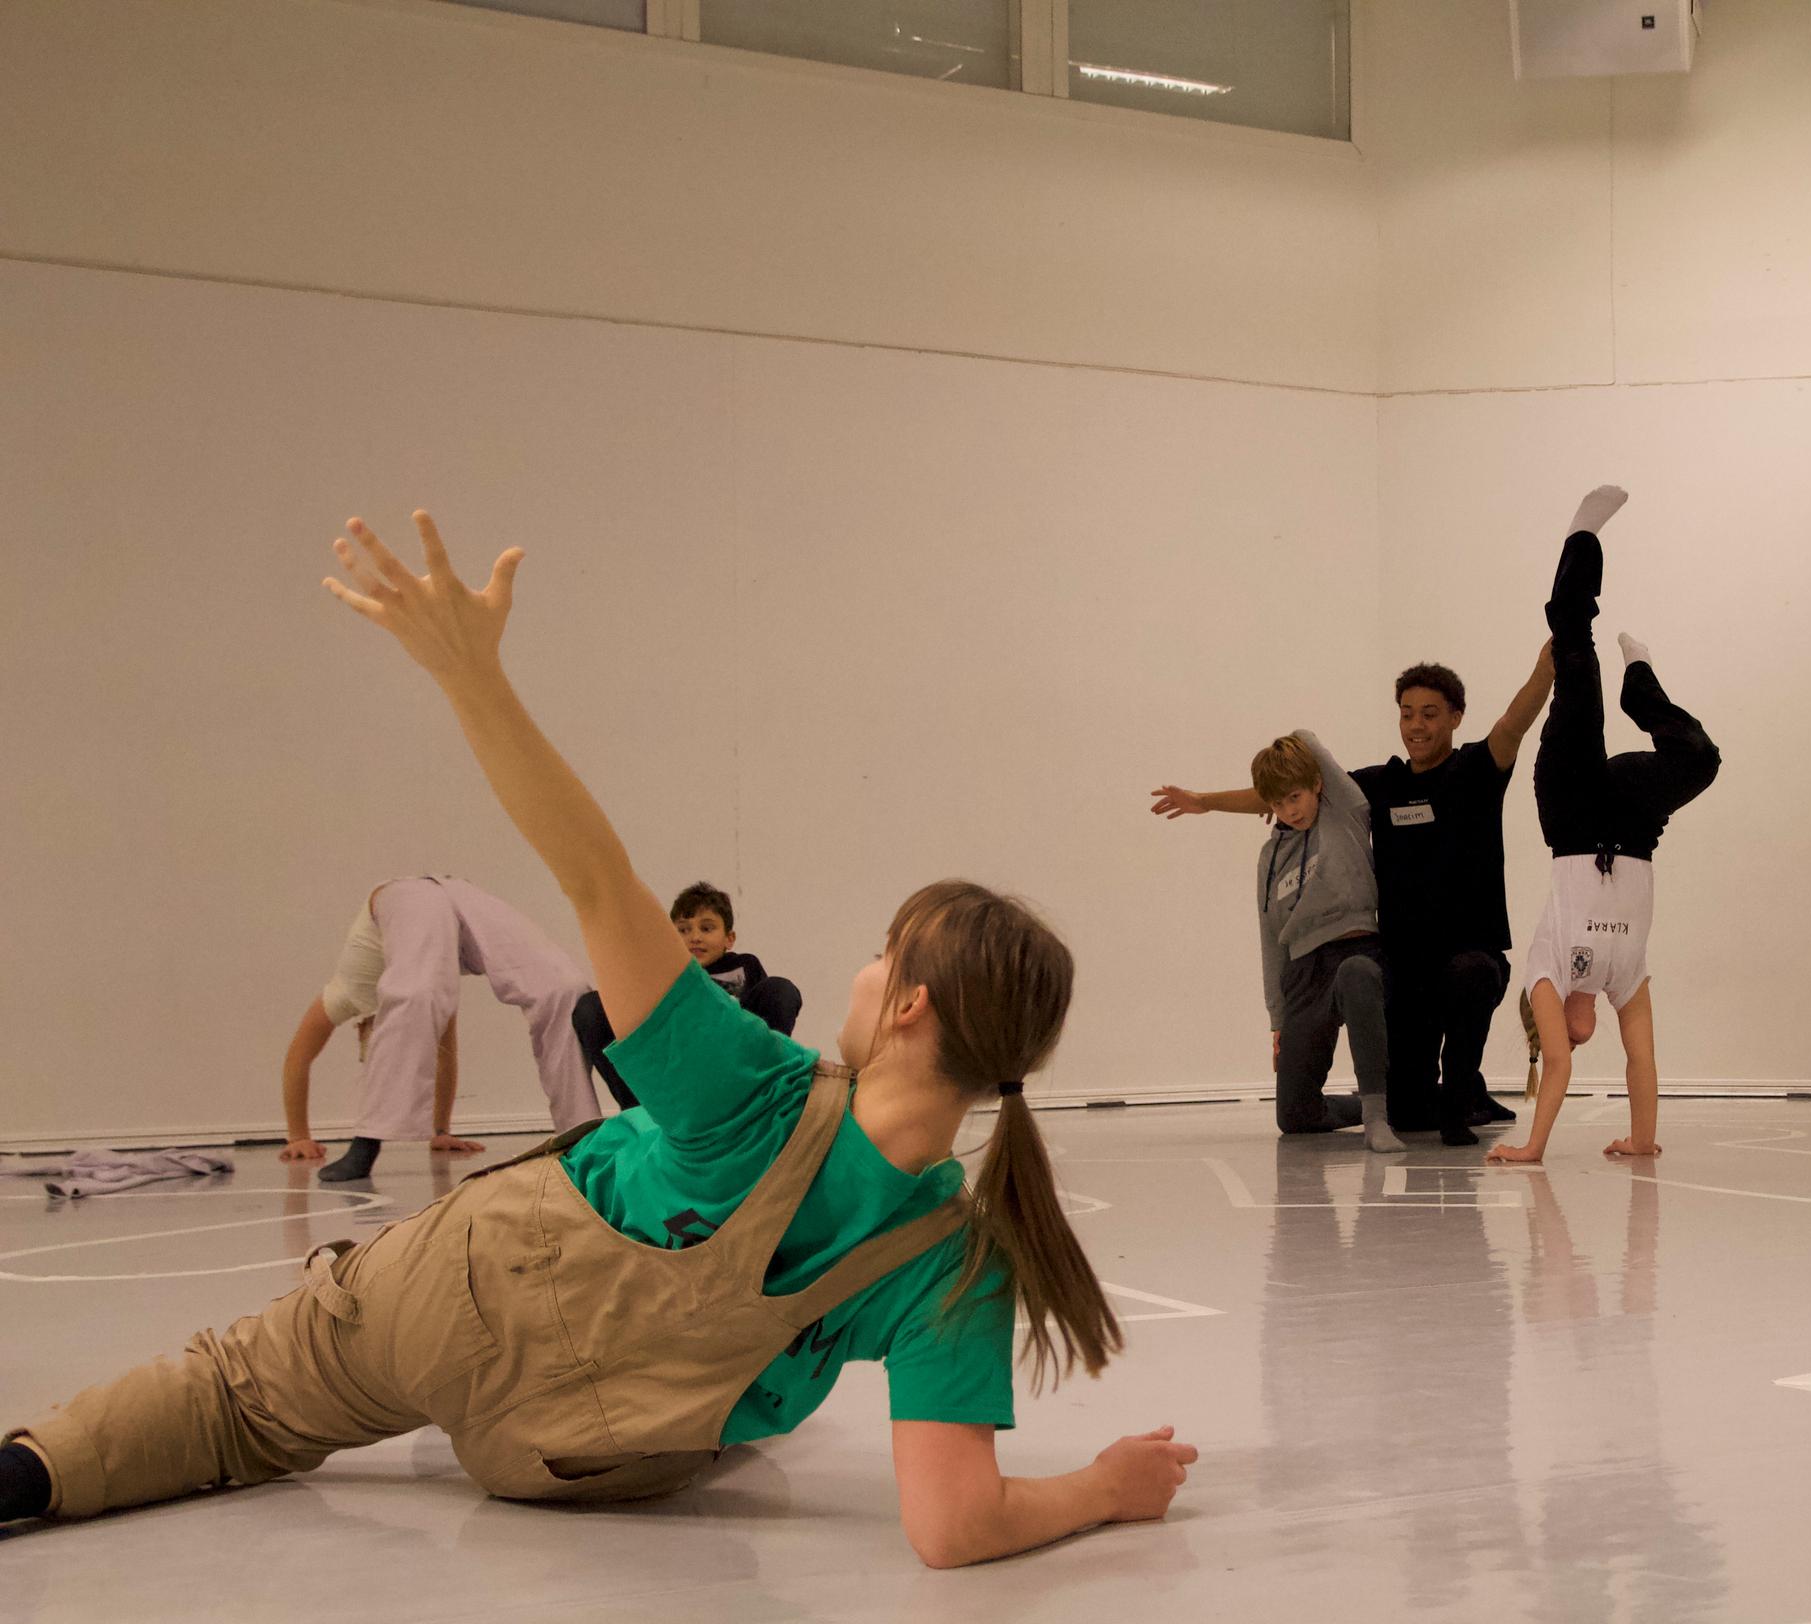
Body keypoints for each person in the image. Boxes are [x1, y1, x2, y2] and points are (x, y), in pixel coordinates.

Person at [1, 511, 1194, 1562]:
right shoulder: (960, 1261)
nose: (866, 961)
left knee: (232, 1399)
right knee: (739, 1430)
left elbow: (591, 872)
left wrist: (471, 675)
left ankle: (23, 1478)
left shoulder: (760, 1088)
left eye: (888, 951)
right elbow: (954, 1530)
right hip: (570, 1463)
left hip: (449, 1301)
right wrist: (1100, 1488)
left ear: (908, 1007)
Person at [1151, 651, 1554, 1145]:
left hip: (1471, 956)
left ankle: (1459, 1095)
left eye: (1430, 713)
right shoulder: (1377, 787)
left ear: (1456, 716)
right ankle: (1464, 1095)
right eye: (1407, 713)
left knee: (1467, 976)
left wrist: (1547, 669)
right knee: (1406, 1114)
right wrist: (1205, 803)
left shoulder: (1475, 769)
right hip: (1406, 969)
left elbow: (1514, 724)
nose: (1417, 725)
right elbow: (1288, 790)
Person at [1489, 486, 1720, 1166]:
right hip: (1634, 826)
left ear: (1552, 1019)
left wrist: (1532, 1147)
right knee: (1700, 759)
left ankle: (1580, 540)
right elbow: (1641, 1061)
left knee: (1575, 660)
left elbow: (1554, 1067)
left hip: (1570, 812)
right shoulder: (1628, 979)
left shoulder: (1545, 974)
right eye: (1584, 1036)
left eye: (1571, 1033)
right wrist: (1643, 1139)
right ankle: (1642, 684)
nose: (1583, 1037)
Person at [279, 874, 597, 1181]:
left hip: (402, 894)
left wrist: (297, 1135)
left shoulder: (346, 993)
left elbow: (298, 1056)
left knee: (562, 989)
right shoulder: (428, 983)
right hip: (453, 895)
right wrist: (441, 1132)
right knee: (559, 988)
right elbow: (443, 1056)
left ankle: (581, 1132)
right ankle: (367, 1144)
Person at [1242, 731, 1406, 1153]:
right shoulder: (1270, 856)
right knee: (1294, 1118)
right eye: (1277, 803)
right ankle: (1374, 1106)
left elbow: (1308, 740)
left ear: (1317, 784)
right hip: (1302, 972)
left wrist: (1288, 745)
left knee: (1356, 973)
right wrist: (1277, 1020)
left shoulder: (1345, 814)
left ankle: (1375, 1116)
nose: (1288, 811)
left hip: (1356, 953)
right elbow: (1270, 940)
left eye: (1294, 796)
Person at [573, 880, 803, 1111]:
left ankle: (767, 1092)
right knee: (591, 1005)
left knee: (780, 988)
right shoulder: (661, 973)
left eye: (706, 928)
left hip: (732, 1066)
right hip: (671, 1069)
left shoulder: (745, 965)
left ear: (729, 938)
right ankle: (641, 1111)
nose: (694, 937)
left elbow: (763, 1018)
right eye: (683, 930)